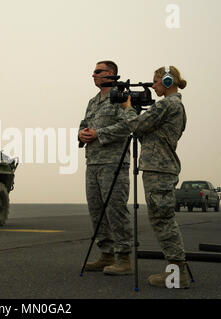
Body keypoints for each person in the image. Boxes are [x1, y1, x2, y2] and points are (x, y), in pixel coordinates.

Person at [120, 65, 189, 288]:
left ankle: (177, 275)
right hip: (159, 168)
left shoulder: (168, 104)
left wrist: (128, 107)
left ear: (168, 82)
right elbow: (146, 130)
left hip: (159, 170)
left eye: (157, 82)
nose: (154, 86)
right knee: (163, 219)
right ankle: (176, 271)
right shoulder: (176, 106)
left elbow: (136, 124)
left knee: (163, 220)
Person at [78, 61, 133, 275]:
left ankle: (124, 258)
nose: (93, 75)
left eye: (98, 72)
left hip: (114, 162)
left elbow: (129, 125)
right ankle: (106, 254)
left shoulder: (122, 97)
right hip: (93, 162)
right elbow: (84, 124)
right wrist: (81, 134)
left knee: (115, 209)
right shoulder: (93, 101)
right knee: (97, 210)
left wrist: (99, 134)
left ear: (111, 74)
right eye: (94, 71)